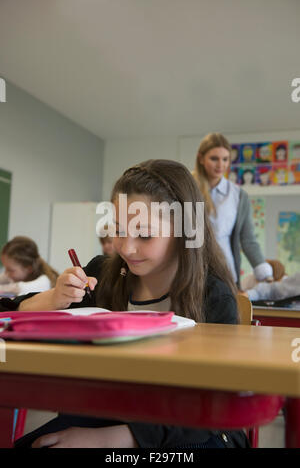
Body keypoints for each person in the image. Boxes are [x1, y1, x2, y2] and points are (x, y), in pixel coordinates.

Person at [11, 159, 249, 448]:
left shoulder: (213, 297)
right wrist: (53, 298)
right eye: (118, 230)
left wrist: (113, 440)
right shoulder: (101, 275)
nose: (126, 247)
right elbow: (6, 313)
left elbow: (216, 405)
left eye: (145, 234)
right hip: (104, 413)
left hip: (191, 431)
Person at [192, 133, 273, 287]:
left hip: (226, 273)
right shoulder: (186, 187)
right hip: (191, 271)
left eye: (225, 159)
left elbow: (248, 239)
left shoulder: (238, 195)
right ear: (201, 158)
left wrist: (265, 273)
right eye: (214, 158)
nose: (220, 165)